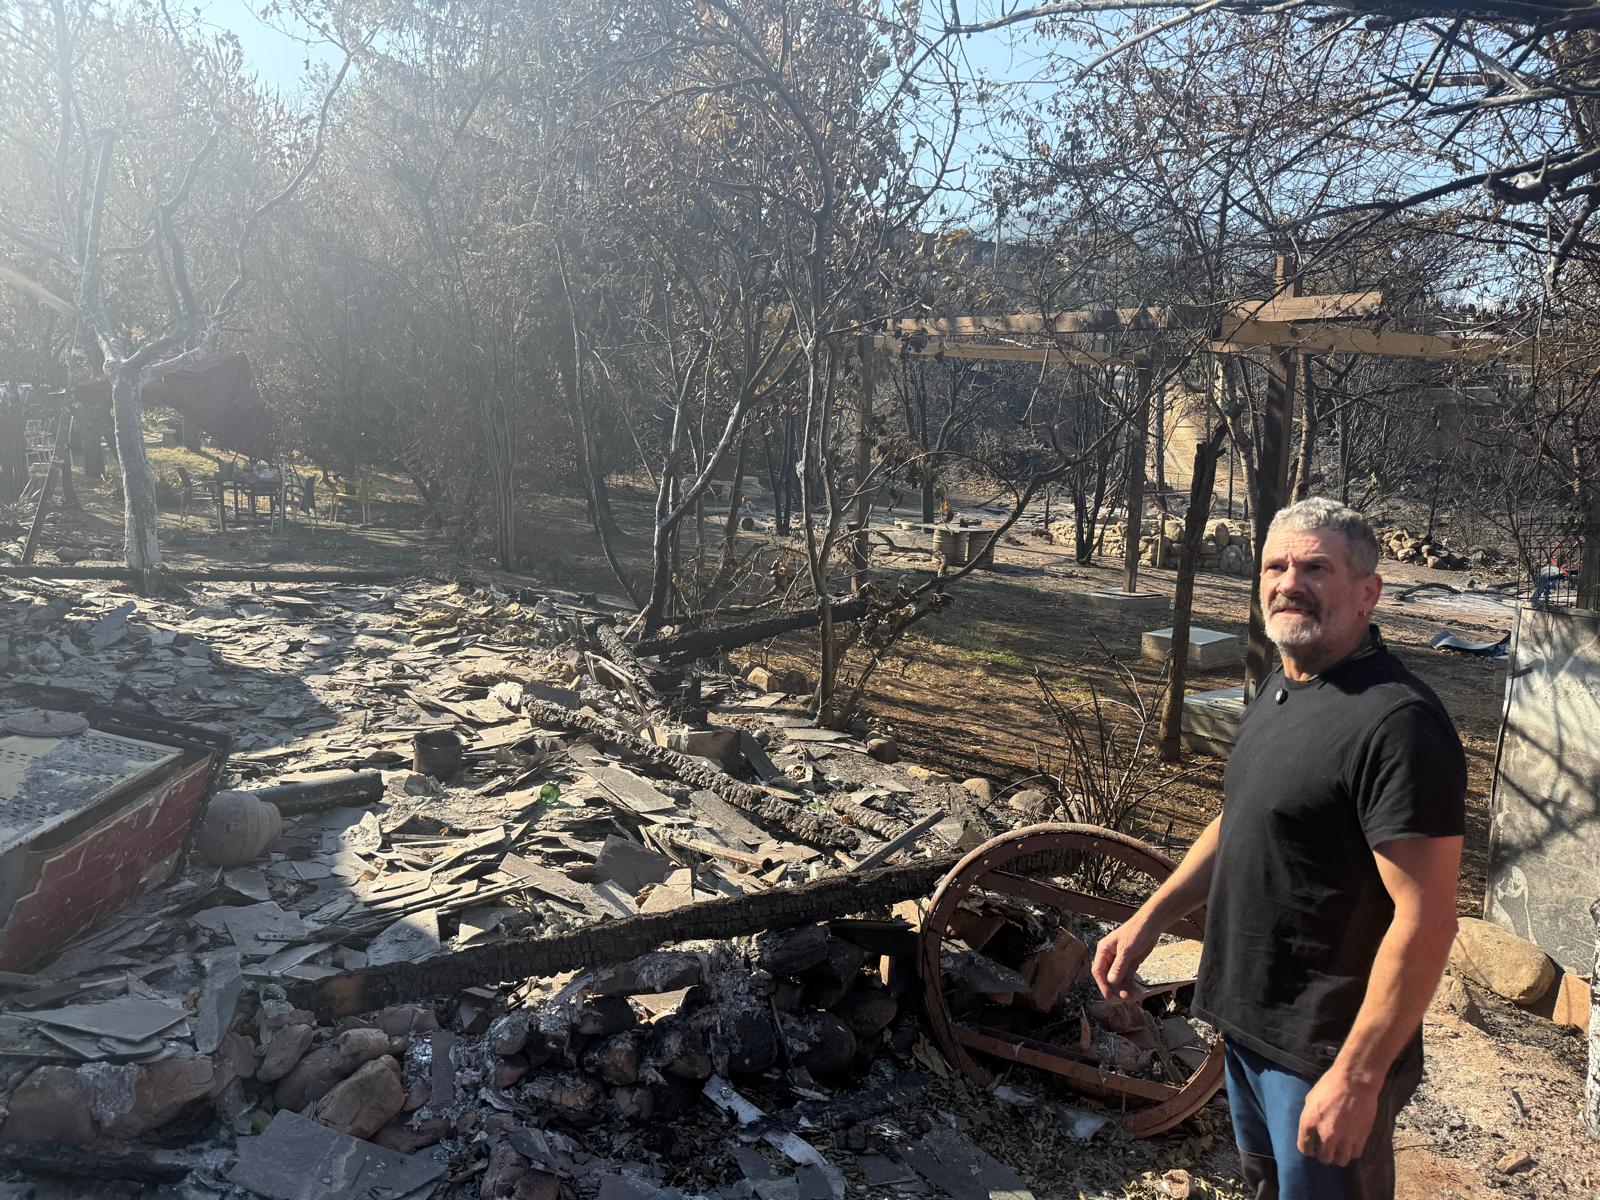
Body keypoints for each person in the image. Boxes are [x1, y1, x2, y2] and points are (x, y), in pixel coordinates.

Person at [1093, 497, 1465, 1200]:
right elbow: (1243, 818)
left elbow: (1428, 919)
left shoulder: (1398, 724)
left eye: (1316, 567)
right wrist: (1148, 921)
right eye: (1277, 564)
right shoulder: (1283, 685)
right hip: (1249, 1023)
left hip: (1323, 1052)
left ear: (1368, 592)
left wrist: (1358, 1077)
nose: (1290, 581)